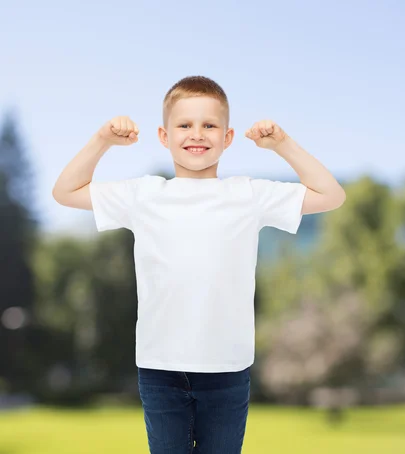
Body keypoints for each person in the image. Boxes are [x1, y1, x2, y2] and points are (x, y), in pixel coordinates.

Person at [52, 75, 346, 453]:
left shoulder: (248, 194)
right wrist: (103, 141)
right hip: (160, 368)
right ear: (164, 135)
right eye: (185, 125)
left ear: (227, 137)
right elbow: (65, 192)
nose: (198, 134)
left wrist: (282, 145)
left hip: (227, 370)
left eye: (210, 125)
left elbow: (331, 195)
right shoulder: (144, 194)